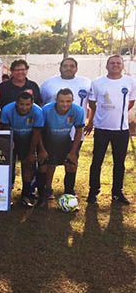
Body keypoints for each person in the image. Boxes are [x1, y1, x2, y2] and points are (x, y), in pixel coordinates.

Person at [85, 54, 136, 205]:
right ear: (107, 66)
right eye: (112, 63)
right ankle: (93, 192)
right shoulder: (97, 83)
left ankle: (117, 193)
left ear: (122, 66)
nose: (115, 65)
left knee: (119, 162)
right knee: (97, 161)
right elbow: (93, 103)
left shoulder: (130, 82)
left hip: (121, 129)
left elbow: (131, 102)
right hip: (101, 128)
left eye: (118, 63)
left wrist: (118, 112)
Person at [40, 57, 91, 197]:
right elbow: (42, 104)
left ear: (76, 68)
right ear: (60, 67)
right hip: (51, 135)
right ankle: (46, 190)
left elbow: (91, 104)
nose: (69, 68)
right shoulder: (48, 84)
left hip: (73, 135)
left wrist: (91, 121)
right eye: (65, 65)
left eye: (72, 66)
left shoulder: (86, 83)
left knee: (72, 161)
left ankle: (69, 191)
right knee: (50, 163)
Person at [38, 89, 85, 202]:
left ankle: (69, 192)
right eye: (61, 101)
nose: (65, 104)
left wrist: (73, 153)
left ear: (72, 100)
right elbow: (38, 131)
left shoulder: (78, 110)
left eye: (68, 101)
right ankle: (45, 191)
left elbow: (79, 131)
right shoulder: (46, 110)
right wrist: (42, 150)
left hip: (65, 140)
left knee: (72, 164)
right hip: (48, 139)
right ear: (56, 100)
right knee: (46, 165)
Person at [0, 92, 44, 207]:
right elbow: (5, 129)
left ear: (32, 104)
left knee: (28, 165)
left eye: (27, 104)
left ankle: (26, 195)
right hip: (12, 138)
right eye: (21, 104)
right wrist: (10, 142)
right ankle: (6, 195)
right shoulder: (7, 110)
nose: (24, 107)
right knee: (8, 166)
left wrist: (31, 153)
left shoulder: (38, 111)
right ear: (16, 103)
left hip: (28, 140)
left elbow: (36, 134)